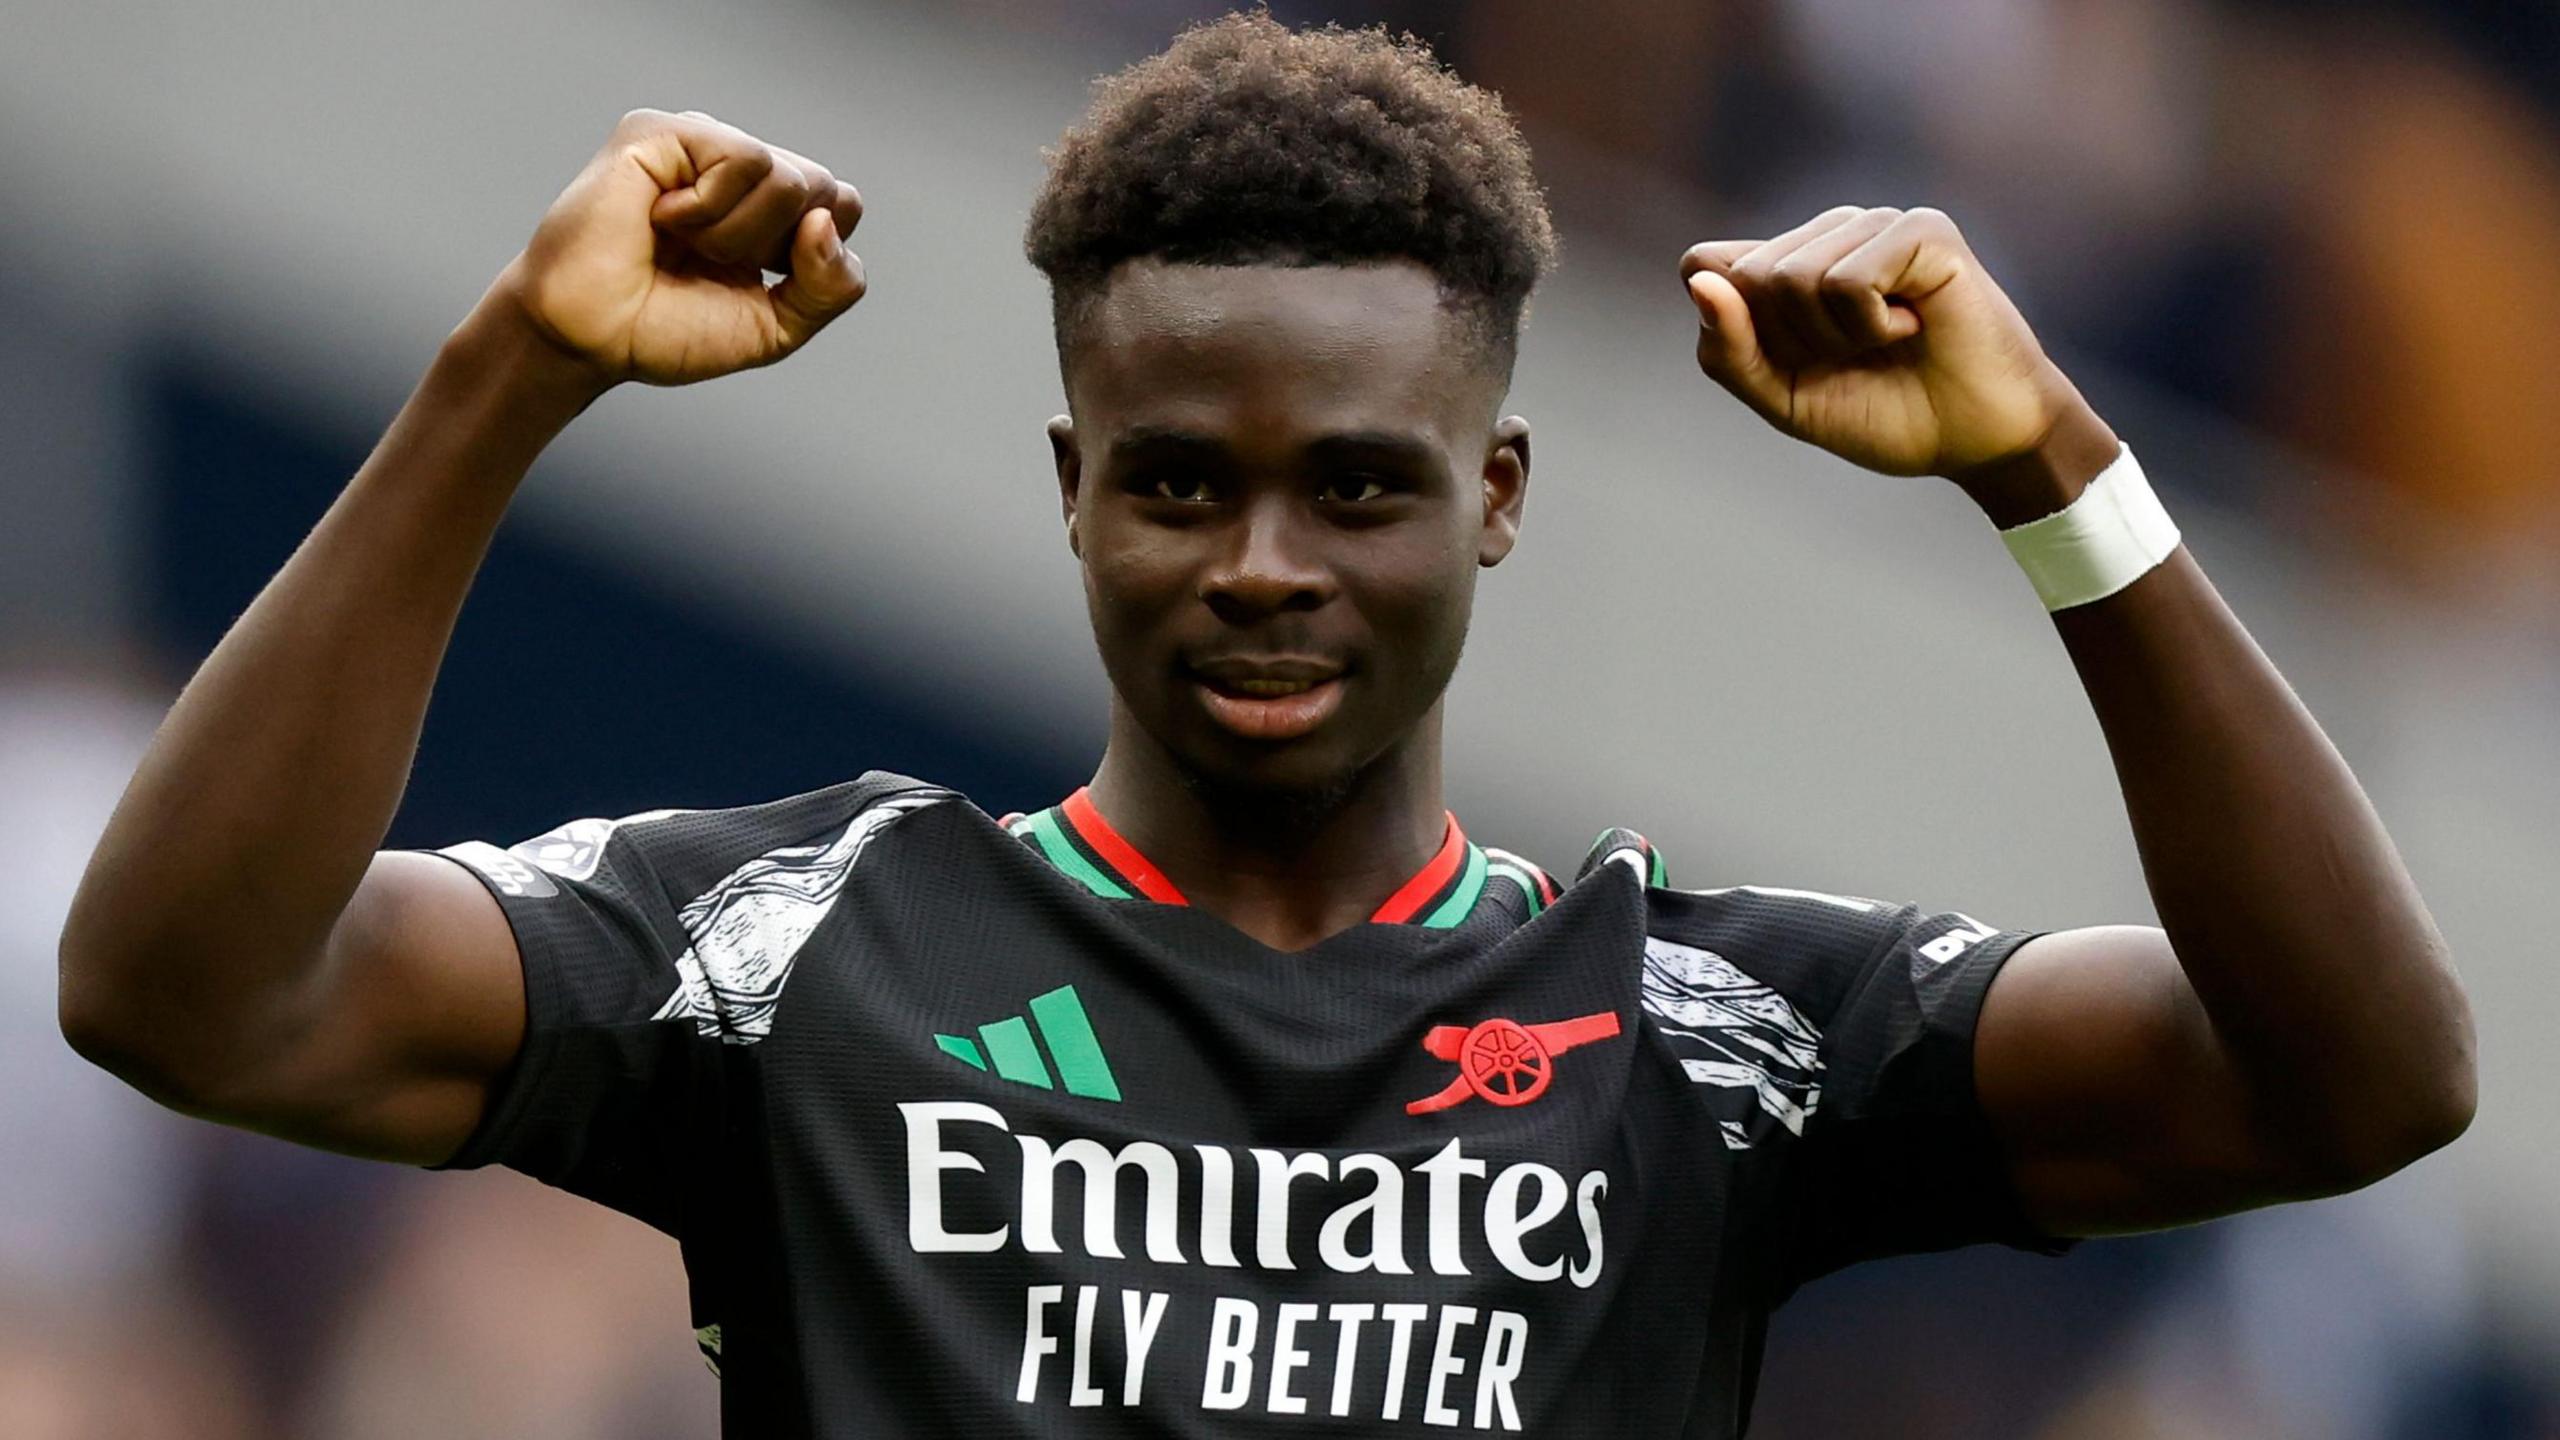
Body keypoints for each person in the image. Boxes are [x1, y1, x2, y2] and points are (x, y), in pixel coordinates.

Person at [56, 13, 2474, 1437]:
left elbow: (2359, 1080)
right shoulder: (793, 952)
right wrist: (510, 373)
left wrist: (2051, 474)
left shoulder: (1703, 1027)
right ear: (1070, 492)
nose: (1262, 565)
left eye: (1358, 488)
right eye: (1178, 483)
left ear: (1496, 499)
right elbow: (181, 988)